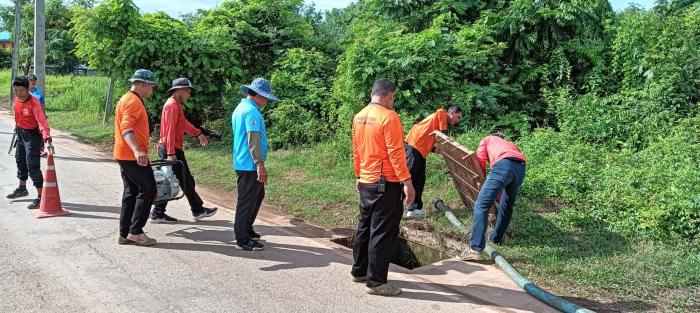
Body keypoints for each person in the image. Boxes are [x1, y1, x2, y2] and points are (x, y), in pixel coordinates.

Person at [350, 79, 415, 296]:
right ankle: (377, 282)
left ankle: (359, 271)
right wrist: (407, 182)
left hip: (366, 181)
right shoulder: (389, 117)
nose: (393, 101)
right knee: (383, 232)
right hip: (385, 183)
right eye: (393, 98)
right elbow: (396, 153)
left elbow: (356, 150)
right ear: (388, 95)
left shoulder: (359, 116)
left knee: (365, 227)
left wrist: (358, 174)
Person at [150, 77, 218, 223]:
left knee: (174, 180)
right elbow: (168, 131)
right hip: (171, 149)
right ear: (179, 90)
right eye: (187, 91)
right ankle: (197, 210)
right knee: (183, 180)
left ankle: (158, 213)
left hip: (172, 148)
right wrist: (170, 153)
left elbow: (183, 124)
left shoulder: (175, 105)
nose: (189, 94)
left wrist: (198, 133)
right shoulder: (172, 106)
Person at [460, 133, 526, 260]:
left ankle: (474, 249)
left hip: (502, 165)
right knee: (506, 206)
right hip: (520, 167)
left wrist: (483, 179)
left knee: (481, 205)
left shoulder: (487, 139)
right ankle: (496, 238)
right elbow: (510, 172)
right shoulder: (509, 144)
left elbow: (480, 159)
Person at [231, 78, 279, 251]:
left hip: (243, 161)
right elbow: (253, 140)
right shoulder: (251, 112)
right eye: (265, 98)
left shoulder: (241, 108)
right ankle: (242, 239)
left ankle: (247, 228)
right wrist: (260, 164)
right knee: (246, 200)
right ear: (258, 95)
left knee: (257, 196)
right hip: (249, 163)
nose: (266, 101)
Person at [114, 69, 158, 246]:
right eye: (151, 87)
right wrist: (137, 150)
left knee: (131, 192)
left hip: (124, 154)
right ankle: (136, 231)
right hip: (131, 155)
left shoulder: (126, 98)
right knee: (149, 188)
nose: (152, 90)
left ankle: (125, 233)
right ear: (143, 84)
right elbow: (126, 127)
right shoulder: (133, 102)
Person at [403, 107, 463, 218]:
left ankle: (413, 209)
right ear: (451, 113)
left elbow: (429, 140)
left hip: (420, 150)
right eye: (457, 117)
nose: (457, 120)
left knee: (419, 180)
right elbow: (442, 138)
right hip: (414, 147)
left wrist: (438, 150)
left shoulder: (437, 126)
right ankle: (392, 205)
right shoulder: (440, 114)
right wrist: (449, 146)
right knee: (408, 178)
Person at [5, 76, 52, 209]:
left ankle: (41, 196)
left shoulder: (34, 102)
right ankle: (22, 188)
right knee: (20, 159)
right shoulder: (16, 99)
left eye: (21, 90)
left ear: (27, 89)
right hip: (21, 133)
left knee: (33, 165)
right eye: (15, 90)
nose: (18, 93)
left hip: (32, 136)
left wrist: (47, 139)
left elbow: (42, 122)